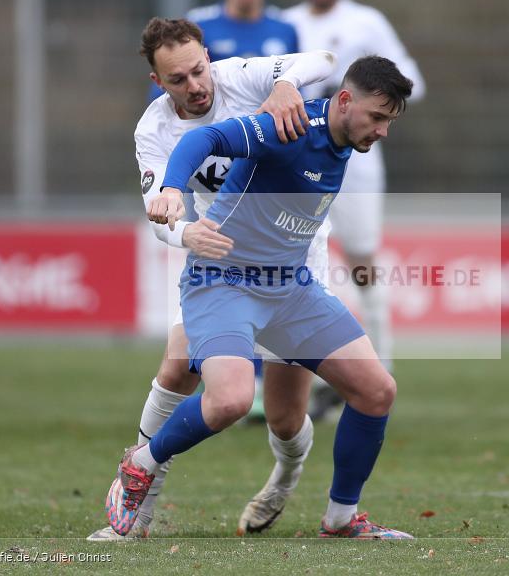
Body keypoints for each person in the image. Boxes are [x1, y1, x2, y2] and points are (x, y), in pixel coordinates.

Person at [106, 55, 415, 539]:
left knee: (376, 392)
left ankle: (340, 519)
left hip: (290, 288)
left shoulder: (342, 141)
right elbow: (203, 138)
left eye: (389, 122)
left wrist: (290, 78)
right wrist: (170, 189)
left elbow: (318, 61)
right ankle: (141, 462)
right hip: (224, 280)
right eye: (377, 117)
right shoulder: (288, 127)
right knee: (229, 400)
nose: (382, 131)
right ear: (346, 101)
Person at [87, 17, 337, 541]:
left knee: (286, 417)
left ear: (209, 59)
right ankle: (139, 502)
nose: (196, 87)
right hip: (220, 261)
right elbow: (161, 213)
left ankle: (284, 479)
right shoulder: (152, 130)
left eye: (199, 71)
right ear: (158, 83)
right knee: (178, 368)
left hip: (294, 258)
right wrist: (185, 236)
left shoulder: (242, 77)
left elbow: (326, 62)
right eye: (178, 80)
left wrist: (287, 83)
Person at [284, 0, 426, 404]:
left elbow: (411, 82)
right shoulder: (285, 25)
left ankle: (380, 363)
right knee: (295, 258)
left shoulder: (367, 23)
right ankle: (297, 375)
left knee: (362, 258)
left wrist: (358, 90)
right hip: (299, 157)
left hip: (357, 166)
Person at [148, 0, 299, 103]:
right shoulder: (198, 24)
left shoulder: (285, 29)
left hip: (270, 128)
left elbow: (297, 86)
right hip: (214, 125)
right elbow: (169, 86)